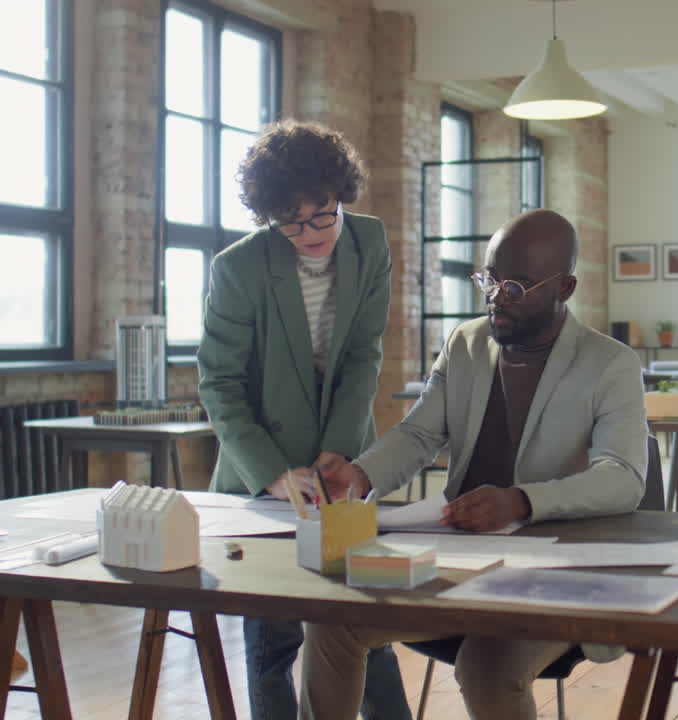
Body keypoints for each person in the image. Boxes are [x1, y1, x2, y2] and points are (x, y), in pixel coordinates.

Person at [298, 209, 648, 720]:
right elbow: (420, 434)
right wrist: (361, 474)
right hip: (455, 564)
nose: (495, 298)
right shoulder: (465, 344)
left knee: (487, 665)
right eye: (489, 279)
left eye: (517, 286)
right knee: (330, 622)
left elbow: (623, 477)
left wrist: (521, 501)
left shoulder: (610, 364)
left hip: (552, 578)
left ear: (565, 287)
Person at [196, 119, 412, 720]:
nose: (310, 232)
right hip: (263, 475)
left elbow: (365, 355)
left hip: (342, 470)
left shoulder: (370, 243)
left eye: (323, 214)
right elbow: (219, 383)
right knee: (272, 644)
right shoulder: (239, 267)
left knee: (364, 626)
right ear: (269, 214)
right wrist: (272, 474)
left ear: (341, 195)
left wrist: (341, 453)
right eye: (290, 221)